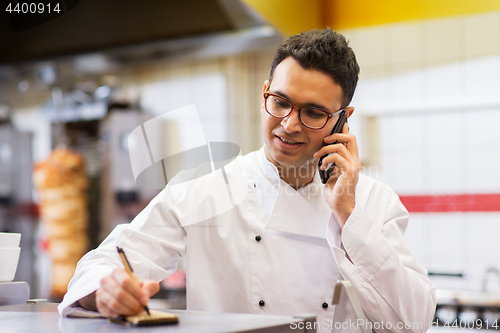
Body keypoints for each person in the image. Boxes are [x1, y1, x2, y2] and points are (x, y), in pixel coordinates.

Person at [59, 28, 436, 332]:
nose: (288, 124)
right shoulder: (204, 191)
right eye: (281, 102)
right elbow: (106, 261)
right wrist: (105, 293)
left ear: (342, 119)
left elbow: (414, 321)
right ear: (264, 94)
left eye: (314, 113)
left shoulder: (373, 201)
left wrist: (350, 216)